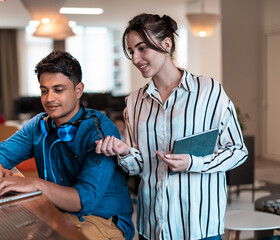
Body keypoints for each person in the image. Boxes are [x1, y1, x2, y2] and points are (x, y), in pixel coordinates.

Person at [95, 13, 248, 240]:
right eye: (131, 51)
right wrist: (124, 151)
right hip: (153, 226)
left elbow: (237, 151)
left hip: (199, 226)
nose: (135, 58)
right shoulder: (134, 102)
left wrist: (193, 163)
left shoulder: (209, 91)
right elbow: (137, 167)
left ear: (166, 44)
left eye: (142, 48)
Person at [0, 50, 134, 240]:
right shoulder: (39, 124)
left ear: (78, 90)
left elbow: (84, 200)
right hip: (55, 211)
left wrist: (34, 184)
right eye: (44, 90)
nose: (49, 98)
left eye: (58, 90)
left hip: (100, 219)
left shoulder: (100, 130)